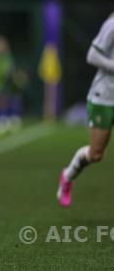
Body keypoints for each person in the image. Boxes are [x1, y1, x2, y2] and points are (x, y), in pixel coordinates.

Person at [57, 13, 114, 207]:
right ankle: (68, 175)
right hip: (104, 97)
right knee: (96, 154)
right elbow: (92, 55)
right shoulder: (112, 25)